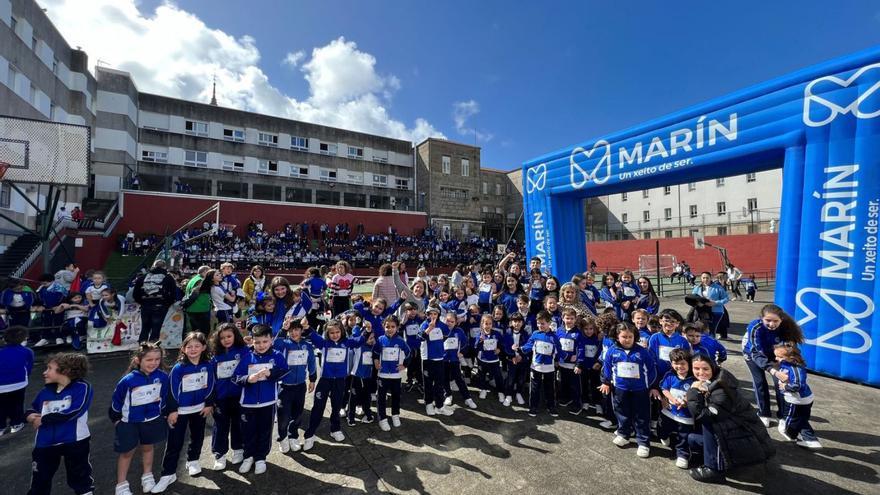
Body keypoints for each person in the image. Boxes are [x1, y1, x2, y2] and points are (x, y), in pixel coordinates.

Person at [686, 355, 775, 483]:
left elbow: (705, 416)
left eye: (705, 369)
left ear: (713, 367)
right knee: (692, 439)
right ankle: (716, 457)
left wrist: (692, 392)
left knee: (708, 424)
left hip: (742, 434)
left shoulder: (721, 389)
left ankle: (713, 468)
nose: (701, 373)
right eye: (696, 368)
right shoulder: (716, 380)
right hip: (738, 430)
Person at [153, 332, 215, 493]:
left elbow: (211, 385)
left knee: (198, 436)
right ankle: (168, 473)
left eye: (197, 346)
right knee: (174, 442)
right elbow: (171, 391)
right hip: (180, 411)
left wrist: (208, 404)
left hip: (199, 409)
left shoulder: (208, 365)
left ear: (203, 348)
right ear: (183, 349)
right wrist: (172, 410)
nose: (193, 349)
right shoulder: (179, 368)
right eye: (189, 346)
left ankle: (193, 460)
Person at [25, 352, 94, 495]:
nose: (45, 372)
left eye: (49, 368)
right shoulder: (46, 391)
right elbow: (32, 408)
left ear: (65, 371)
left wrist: (43, 419)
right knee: (40, 480)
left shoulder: (82, 387)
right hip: (45, 442)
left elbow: (75, 411)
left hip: (75, 441)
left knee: (80, 477)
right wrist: (30, 416)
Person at [110, 342, 170, 495]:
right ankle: (121, 484)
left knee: (148, 447)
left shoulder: (163, 377)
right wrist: (116, 419)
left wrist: (164, 414)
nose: (154, 363)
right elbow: (116, 403)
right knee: (127, 452)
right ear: (138, 360)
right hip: (129, 423)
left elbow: (164, 398)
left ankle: (147, 476)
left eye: (157, 359)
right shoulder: (127, 380)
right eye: (149, 360)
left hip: (151, 420)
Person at [232, 324, 288, 475]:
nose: (261, 345)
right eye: (257, 342)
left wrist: (271, 373)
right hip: (247, 403)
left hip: (268, 402)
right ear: (252, 341)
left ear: (271, 340)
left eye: (265, 341)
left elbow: (284, 371)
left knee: (265, 431)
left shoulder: (277, 355)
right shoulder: (246, 357)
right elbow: (235, 377)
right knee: (248, 431)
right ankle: (248, 456)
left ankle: (261, 458)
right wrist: (247, 379)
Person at [302, 320, 364, 450]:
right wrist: (307, 326)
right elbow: (313, 335)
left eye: (337, 332)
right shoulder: (324, 343)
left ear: (342, 331)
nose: (335, 335)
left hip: (340, 381)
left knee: (336, 406)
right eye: (331, 333)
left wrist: (368, 330)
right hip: (325, 380)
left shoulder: (347, 343)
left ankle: (335, 429)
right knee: (318, 407)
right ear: (327, 333)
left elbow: (360, 340)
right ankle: (310, 434)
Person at [600, 322, 657, 459]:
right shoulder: (612, 351)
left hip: (640, 390)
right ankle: (624, 433)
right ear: (617, 337)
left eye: (630, 336)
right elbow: (607, 368)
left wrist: (650, 386)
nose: (627, 339)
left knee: (641, 416)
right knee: (621, 411)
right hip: (620, 389)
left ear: (634, 336)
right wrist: (606, 382)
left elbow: (651, 370)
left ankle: (643, 442)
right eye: (624, 336)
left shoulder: (642, 352)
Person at [742, 304, 804, 426]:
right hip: (753, 354)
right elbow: (756, 352)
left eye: (776, 321)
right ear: (761, 318)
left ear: (781, 320)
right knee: (760, 382)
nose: (771, 324)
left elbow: (790, 350)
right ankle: (764, 413)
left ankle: (783, 415)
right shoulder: (755, 327)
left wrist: (783, 363)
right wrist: (772, 369)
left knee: (780, 384)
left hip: (776, 355)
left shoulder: (786, 328)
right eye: (768, 320)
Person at [274, 318, 317, 452]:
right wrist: (283, 330)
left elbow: (311, 362)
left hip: (300, 385)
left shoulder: (307, 345)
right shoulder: (285, 344)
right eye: (291, 330)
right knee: (283, 415)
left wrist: (312, 379)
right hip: (285, 386)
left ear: (301, 330)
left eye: (297, 330)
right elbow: (275, 344)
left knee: (297, 415)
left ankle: (293, 436)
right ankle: (283, 438)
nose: (294, 333)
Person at [209, 323, 248, 470]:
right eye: (222, 337)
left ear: (235, 336)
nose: (226, 340)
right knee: (221, 426)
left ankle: (238, 450)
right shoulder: (214, 355)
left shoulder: (243, 351)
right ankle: (220, 454)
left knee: (239, 424)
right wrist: (211, 398)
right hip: (221, 397)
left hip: (239, 395)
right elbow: (211, 378)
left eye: (229, 336)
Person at [774, 343, 821, 449]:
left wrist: (785, 387)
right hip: (802, 399)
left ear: (792, 357)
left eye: (779, 357)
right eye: (776, 356)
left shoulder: (796, 369)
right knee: (801, 419)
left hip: (797, 400)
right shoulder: (787, 363)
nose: (776, 359)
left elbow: (798, 385)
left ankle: (798, 436)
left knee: (792, 420)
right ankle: (808, 439)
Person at [657, 348, 696, 469]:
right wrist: (672, 399)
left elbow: (698, 394)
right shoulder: (670, 375)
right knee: (662, 428)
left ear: (689, 363)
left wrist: (686, 401)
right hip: (669, 411)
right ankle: (664, 436)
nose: (679, 366)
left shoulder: (695, 379)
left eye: (683, 363)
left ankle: (682, 455)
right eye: (676, 363)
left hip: (686, 416)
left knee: (683, 437)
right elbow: (664, 389)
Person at [373, 315, 411, 431]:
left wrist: (404, 365)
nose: (390, 329)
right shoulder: (380, 340)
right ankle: (382, 418)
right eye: (387, 326)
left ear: (397, 327)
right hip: (383, 374)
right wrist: (376, 362)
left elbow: (409, 353)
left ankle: (395, 414)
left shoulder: (400, 341)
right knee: (381, 397)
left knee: (396, 396)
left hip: (396, 375)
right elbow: (375, 353)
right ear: (383, 326)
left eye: (392, 327)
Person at [519, 311, 560, 417]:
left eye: (543, 323)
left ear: (549, 323)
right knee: (534, 388)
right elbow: (528, 345)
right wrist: (520, 349)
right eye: (538, 323)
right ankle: (533, 406)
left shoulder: (554, 337)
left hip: (549, 368)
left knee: (550, 388)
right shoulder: (535, 334)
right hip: (535, 367)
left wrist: (561, 359)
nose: (540, 326)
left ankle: (551, 406)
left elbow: (559, 350)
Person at [419, 307, 454, 416]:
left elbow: (447, 333)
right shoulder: (424, 324)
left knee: (439, 384)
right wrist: (429, 329)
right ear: (427, 314)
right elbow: (420, 338)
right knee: (428, 383)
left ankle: (439, 406)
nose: (433, 316)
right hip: (428, 359)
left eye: (435, 314)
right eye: (431, 314)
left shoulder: (441, 325)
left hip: (439, 358)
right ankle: (429, 404)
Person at [0, 326, 35, 435]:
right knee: (17, 404)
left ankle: (1, 427)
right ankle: (16, 423)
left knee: (1, 406)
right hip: (19, 383)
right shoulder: (27, 351)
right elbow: (29, 368)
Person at [133, 260, 177, 343]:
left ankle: (142, 348)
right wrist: (166, 304)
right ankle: (153, 348)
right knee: (156, 328)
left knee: (145, 328)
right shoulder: (168, 277)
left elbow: (135, 294)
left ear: (154, 266)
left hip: (145, 306)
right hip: (160, 306)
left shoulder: (143, 277)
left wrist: (143, 302)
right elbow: (173, 294)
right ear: (165, 267)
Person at [442, 311, 477, 409]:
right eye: (447, 321)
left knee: (459, 379)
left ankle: (467, 398)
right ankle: (448, 395)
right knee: (445, 378)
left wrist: (462, 352)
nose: (449, 323)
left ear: (456, 322)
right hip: (444, 360)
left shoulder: (459, 331)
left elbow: (466, 343)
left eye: (452, 322)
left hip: (454, 360)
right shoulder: (441, 330)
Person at [691, 272, 729, 338]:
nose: (705, 279)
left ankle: (711, 345)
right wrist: (698, 303)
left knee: (712, 329)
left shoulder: (718, 288)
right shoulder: (698, 288)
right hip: (702, 311)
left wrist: (715, 303)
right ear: (701, 278)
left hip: (716, 311)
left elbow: (726, 299)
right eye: (703, 278)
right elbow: (693, 297)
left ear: (710, 278)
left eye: (707, 278)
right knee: (702, 329)